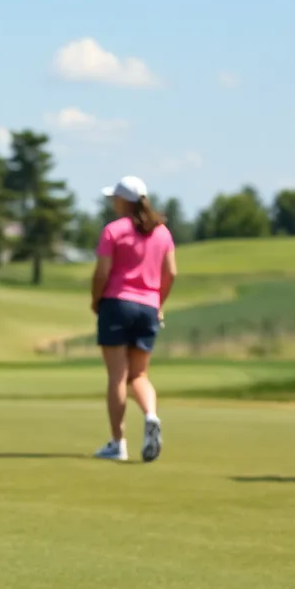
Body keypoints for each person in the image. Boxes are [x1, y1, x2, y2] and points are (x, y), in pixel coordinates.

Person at [90, 176, 176, 463]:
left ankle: (118, 443)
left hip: (117, 303)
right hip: (149, 307)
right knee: (139, 374)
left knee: (118, 375)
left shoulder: (113, 230)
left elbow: (102, 273)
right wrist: (158, 303)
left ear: (124, 200)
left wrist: (95, 300)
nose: (112, 202)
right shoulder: (162, 232)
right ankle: (151, 416)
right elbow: (171, 273)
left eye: (115, 197)